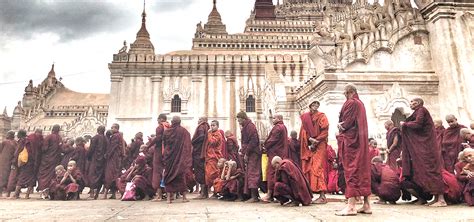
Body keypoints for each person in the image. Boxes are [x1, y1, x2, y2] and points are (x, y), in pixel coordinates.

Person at [400, 98, 446, 207]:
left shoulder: (421, 110)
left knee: (432, 171)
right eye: (411, 102)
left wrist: (405, 124)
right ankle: (435, 198)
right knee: (425, 171)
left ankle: (441, 199)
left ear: (419, 103)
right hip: (424, 148)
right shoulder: (418, 111)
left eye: (413, 102)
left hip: (427, 148)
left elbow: (418, 124)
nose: (411, 104)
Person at [336, 84, 371, 216]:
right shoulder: (360, 103)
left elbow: (347, 122)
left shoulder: (351, 103)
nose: (344, 96)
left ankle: (351, 207)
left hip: (352, 143)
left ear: (349, 92)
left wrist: (340, 125)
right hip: (360, 142)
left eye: (345, 93)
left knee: (352, 170)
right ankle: (367, 205)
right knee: (363, 170)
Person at [299, 101, 329, 204]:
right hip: (309, 146)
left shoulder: (322, 116)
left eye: (317, 105)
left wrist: (317, 140)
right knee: (308, 168)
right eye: (313, 105)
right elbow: (303, 132)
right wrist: (310, 140)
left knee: (317, 168)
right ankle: (310, 194)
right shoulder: (305, 117)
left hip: (320, 145)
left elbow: (325, 131)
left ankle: (322, 196)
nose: (315, 107)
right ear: (310, 106)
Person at [162, 116, 192, 204]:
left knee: (168, 176)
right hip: (180, 159)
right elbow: (188, 145)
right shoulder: (184, 132)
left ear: (172, 122)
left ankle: (168, 199)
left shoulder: (167, 131)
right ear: (179, 122)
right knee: (181, 177)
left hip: (169, 158)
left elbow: (165, 142)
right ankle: (184, 198)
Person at [261, 114, 288, 202]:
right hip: (281, 153)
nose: (273, 120)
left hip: (275, 154)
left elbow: (272, 140)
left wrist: (265, 145)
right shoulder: (283, 127)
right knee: (278, 173)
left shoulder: (277, 127)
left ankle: (269, 195)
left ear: (279, 118)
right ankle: (276, 195)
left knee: (271, 173)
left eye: (274, 118)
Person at [237, 111, 261, 202]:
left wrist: (246, 153)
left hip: (253, 153)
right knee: (249, 173)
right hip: (249, 153)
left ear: (243, 118)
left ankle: (254, 197)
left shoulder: (250, 126)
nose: (238, 122)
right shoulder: (246, 127)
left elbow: (253, 141)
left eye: (239, 120)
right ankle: (253, 195)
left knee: (252, 173)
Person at [10, 130, 37, 199]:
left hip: (24, 162)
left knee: (21, 178)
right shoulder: (31, 140)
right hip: (32, 161)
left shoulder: (22, 141)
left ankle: (16, 194)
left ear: (20, 135)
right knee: (31, 178)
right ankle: (27, 195)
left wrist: (14, 161)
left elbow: (18, 151)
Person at [151, 114, 170, 201]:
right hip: (167, 152)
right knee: (166, 172)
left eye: (158, 119)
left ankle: (159, 195)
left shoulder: (160, 127)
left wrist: (149, 145)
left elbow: (158, 138)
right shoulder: (169, 127)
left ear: (161, 119)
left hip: (159, 152)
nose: (157, 121)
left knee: (157, 173)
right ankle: (170, 195)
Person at [203, 120, 225, 199]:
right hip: (209, 157)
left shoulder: (217, 134)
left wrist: (208, 134)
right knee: (208, 176)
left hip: (214, 157)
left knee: (213, 175)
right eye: (211, 125)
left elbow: (212, 142)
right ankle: (211, 192)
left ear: (217, 126)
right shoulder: (211, 133)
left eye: (214, 125)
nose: (212, 127)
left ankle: (216, 193)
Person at [37, 125, 62, 192]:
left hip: (47, 159)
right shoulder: (59, 138)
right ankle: (50, 188)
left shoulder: (49, 137)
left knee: (44, 174)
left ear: (52, 129)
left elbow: (44, 148)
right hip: (55, 159)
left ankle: (43, 188)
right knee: (52, 174)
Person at [86, 126, 108, 199]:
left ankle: (92, 193)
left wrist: (88, 156)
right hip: (102, 161)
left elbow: (91, 149)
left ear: (98, 130)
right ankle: (97, 193)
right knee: (100, 176)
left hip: (94, 159)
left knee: (92, 175)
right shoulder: (106, 139)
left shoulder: (95, 138)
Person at [103, 123, 124, 199]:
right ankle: (113, 194)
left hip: (113, 158)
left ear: (116, 128)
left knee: (110, 175)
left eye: (112, 128)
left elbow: (113, 147)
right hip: (117, 158)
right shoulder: (119, 136)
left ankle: (105, 194)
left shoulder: (115, 136)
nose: (111, 129)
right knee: (115, 175)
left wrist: (107, 155)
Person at [191, 117, 209, 199]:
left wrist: (193, 141)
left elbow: (201, 137)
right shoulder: (206, 127)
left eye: (200, 119)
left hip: (198, 152)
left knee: (200, 172)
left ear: (203, 121)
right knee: (203, 172)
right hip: (202, 152)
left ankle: (203, 193)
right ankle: (204, 193)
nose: (198, 120)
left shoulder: (201, 127)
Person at [0, 131, 17, 197]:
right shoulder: (15, 142)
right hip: (11, 161)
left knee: (2, 177)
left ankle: (1, 193)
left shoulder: (4, 142)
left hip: (3, 162)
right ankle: (8, 193)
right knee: (9, 177)